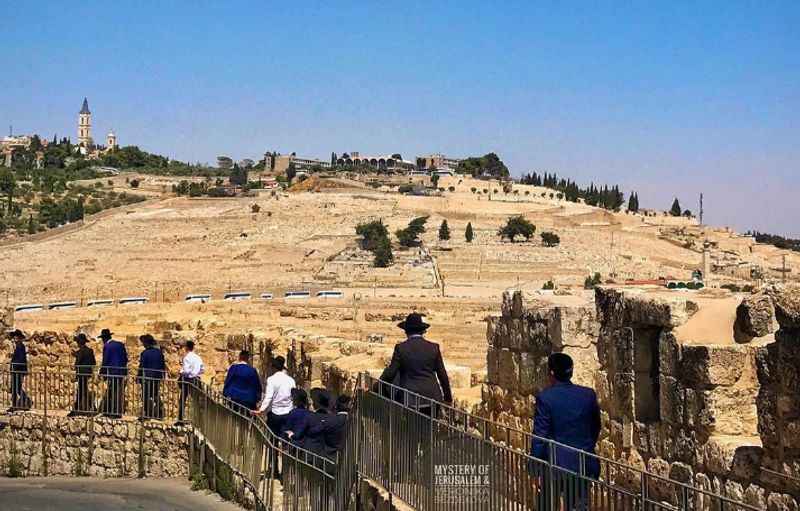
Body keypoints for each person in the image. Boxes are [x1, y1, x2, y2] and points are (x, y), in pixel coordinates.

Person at [529, 353, 601, 511]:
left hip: (555, 466)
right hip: (582, 463)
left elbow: (540, 437)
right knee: (579, 506)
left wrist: (535, 469)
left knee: (546, 504)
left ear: (552, 373)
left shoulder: (546, 398)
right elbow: (596, 427)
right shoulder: (588, 395)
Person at [379, 312, 453, 414]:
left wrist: (379, 388)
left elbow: (391, 373)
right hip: (432, 398)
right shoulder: (434, 348)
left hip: (409, 399)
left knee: (411, 428)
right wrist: (448, 399)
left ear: (406, 331)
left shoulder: (401, 348)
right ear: (423, 331)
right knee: (429, 428)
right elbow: (442, 375)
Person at [253, 356, 296, 436]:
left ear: (273, 368)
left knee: (273, 438)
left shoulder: (271, 379)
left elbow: (268, 397)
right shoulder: (291, 380)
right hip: (288, 413)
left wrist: (261, 410)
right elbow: (294, 397)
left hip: (275, 413)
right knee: (286, 438)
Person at [98, 329, 128, 418]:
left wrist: (102, 373)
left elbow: (105, 360)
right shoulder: (120, 344)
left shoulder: (107, 346)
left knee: (113, 392)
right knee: (118, 392)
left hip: (112, 372)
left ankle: (113, 412)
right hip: (121, 372)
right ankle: (115, 411)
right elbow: (125, 359)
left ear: (104, 338)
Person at [137, 334, 166, 420]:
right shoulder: (159, 352)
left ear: (146, 343)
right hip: (157, 377)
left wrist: (139, 376)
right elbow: (162, 365)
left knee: (145, 396)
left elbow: (142, 366)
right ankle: (160, 413)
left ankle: (147, 414)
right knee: (155, 394)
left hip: (147, 378)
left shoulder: (145, 353)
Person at [177, 340, 204, 424]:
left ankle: (180, 419)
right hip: (197, 379)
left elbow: (186, 370)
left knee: (182, 399)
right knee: (196, 400)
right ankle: (199, 420)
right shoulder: (198, 357)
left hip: (188, 380)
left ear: (186, 347)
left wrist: (181, 372)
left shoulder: (187, 357)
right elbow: (202, 369)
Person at [70, 333, 96, 416]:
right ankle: (91, 408)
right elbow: (93, 362)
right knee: (83, 391)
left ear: (79, 343)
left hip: (81, 375)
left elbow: (77, 363)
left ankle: (77, 410)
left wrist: (76, 356)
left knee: (81, 392)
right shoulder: (90, 350)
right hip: (87, 374)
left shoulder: (81, 351)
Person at [8, 330, 31, 412]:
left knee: (17, 388)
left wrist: (14, 365)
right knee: (14, 389)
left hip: (18, 371)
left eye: (16, 336)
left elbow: (20, 359)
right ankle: (14, 406)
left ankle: (27, 402)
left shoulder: (21, 346)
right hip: (16, 371)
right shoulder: (18, 346)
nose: (14, 338)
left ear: (19, 338)